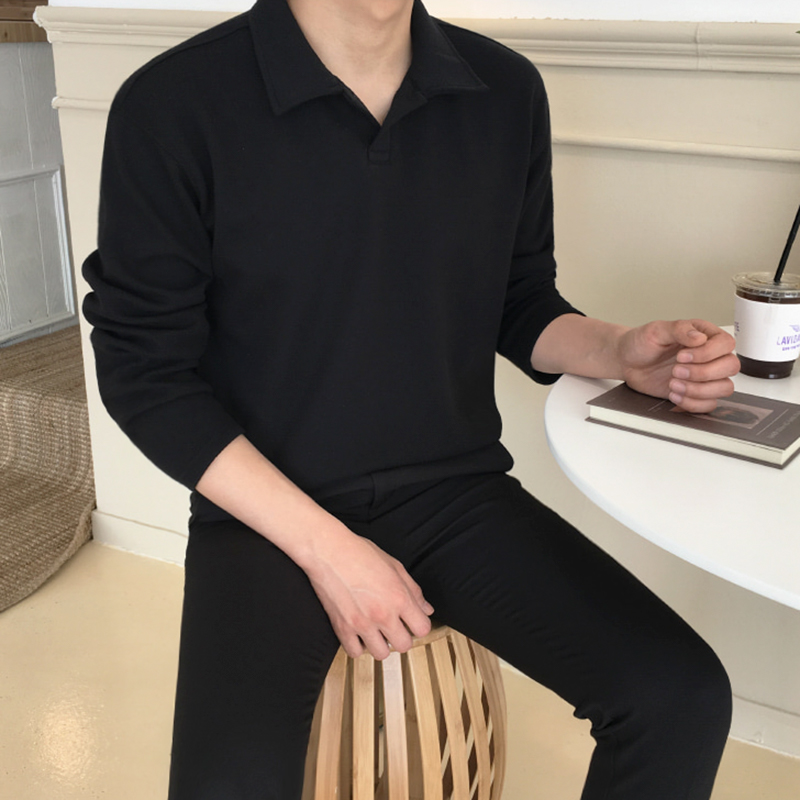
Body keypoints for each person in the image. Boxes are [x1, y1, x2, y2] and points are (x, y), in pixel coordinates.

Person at [82, 1, 740, 798]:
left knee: (680, 697)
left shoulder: (503, 89)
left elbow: (517, 298)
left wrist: (617, 352)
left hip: (456, 495)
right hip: (265, 514)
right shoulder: (174, 101)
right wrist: (330, 552)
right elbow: (144, 371)